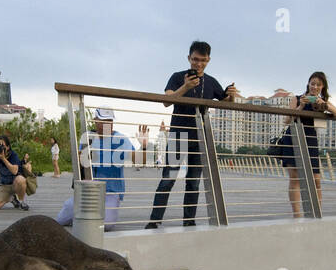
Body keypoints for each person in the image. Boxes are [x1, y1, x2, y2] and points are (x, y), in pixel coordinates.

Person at [147, 41, 240, 228]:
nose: (199, 64)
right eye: (195, 59)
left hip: (201, 138)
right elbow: (166, 101)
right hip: (178, 136)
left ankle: (189, 222)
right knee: (168, 180)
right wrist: (185, 87)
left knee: (194, 183)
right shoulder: (177, 77)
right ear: (189, 58)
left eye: (203, 60)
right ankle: (154, 222)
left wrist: (231, 95)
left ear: (208, 60)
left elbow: (226, 102)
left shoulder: (212, 82)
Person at [277, 72, 336, 217]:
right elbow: (287, 120)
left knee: (316, 179)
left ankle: (316, 212)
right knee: (295, 178)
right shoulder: (296, 99)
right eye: (312, 83)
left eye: (318, 85)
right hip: (293, 138)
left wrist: (325, 105)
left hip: (310, 140)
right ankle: (297, 215)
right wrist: (301, 106)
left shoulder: (322, 102)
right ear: (308, 83)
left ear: (322, 87)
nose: (315, 87)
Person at [57, 108, 136, 228]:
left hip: (111, 192)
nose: (107, 124)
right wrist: (81, 158)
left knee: (107, 225)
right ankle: (86, 220)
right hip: (88, 190)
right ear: (95, 121)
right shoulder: (88, 137)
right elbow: (81, 163)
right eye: (103, 121)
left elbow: (139, 160)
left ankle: (85, 221)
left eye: (110, 121)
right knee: (61, 220)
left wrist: (144, 146)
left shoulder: (121, 139)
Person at [0, 134, 29, 210]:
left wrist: (3, 158)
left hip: (16, 185)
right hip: (4, 186)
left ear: (8, 147)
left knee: (21, 180)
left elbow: (15, 171)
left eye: (1, 145)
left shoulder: (13, 155)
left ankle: (22, 202)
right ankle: (11, 198)